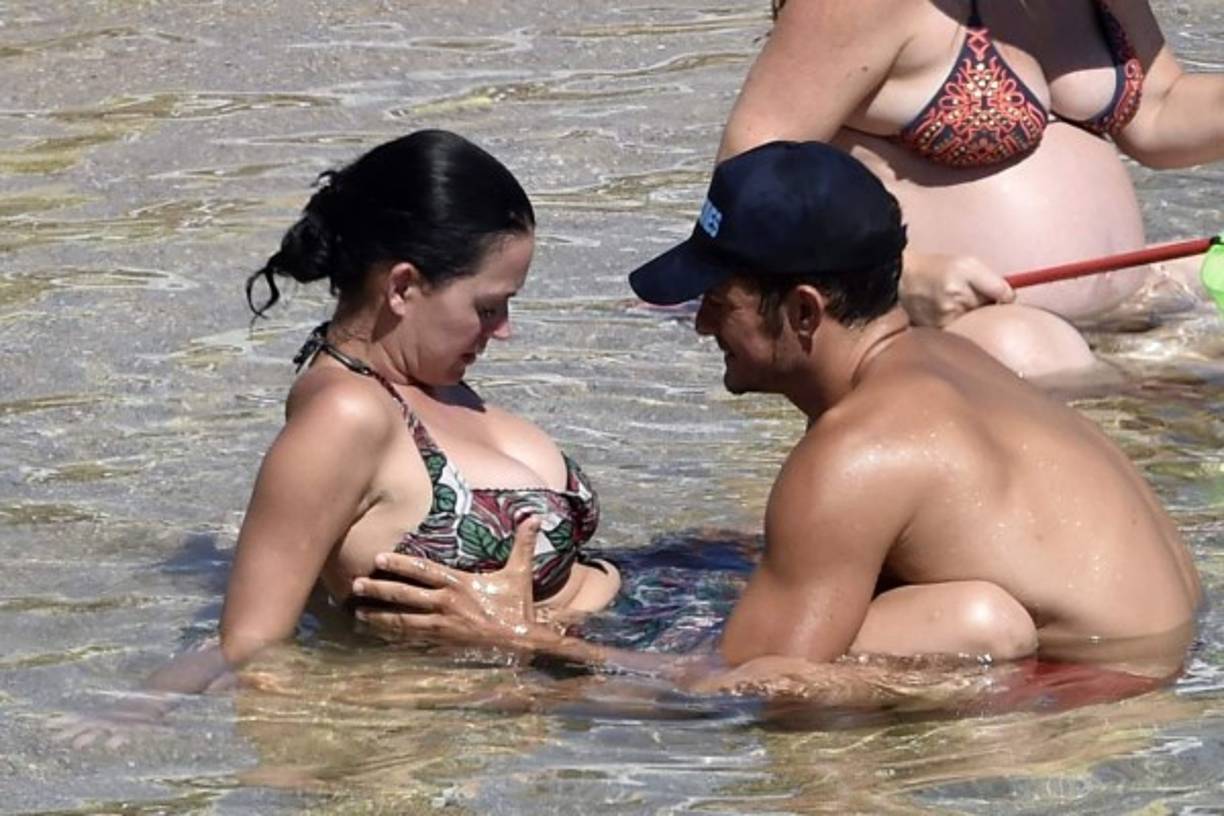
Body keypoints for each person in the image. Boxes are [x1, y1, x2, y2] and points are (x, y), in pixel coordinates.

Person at [350, 141, 1202, 702]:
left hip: (1087, 705)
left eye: (717, 300)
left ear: (801, 311)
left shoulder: (856, 453)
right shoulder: (949, 359)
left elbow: (740, 689)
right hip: (1164, 657)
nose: (699, 324)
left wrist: (526, 641)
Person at [58, 129, 620, 746]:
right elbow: (250, 640)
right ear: (402, 287)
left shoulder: (423, 382)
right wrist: (141, 704)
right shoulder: (345, 416)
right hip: (578, 674)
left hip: (630, 623)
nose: (504, 330)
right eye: (488, 307)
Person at [717, 0, 1224, 378]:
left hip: (1128, 305)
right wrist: (901, 276)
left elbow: (1158, 110)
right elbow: (748, 175)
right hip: (969, 331)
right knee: (1030, 349)